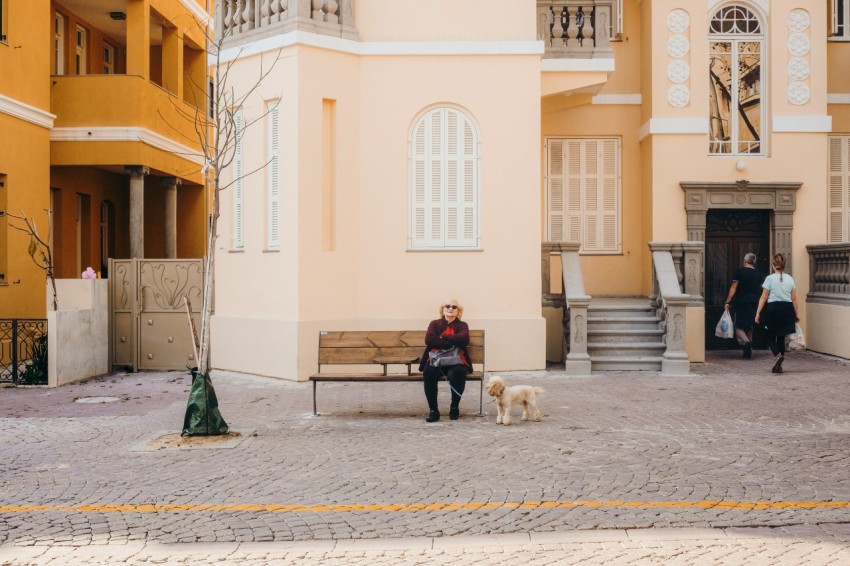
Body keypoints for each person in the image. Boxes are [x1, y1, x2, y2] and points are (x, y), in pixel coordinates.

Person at [419, 299, 472, 422]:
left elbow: (464, 339)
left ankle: (454, 407)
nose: (450, 308)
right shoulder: (435, 324)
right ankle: (433, 410)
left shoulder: (462, 325)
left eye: (454, 307)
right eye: (447, 306)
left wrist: (444, 337)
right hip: (436, 360)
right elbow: (430, 340)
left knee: (458, 372)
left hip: (455, 360)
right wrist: (450, 343)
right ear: (442, 309)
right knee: (429, 372)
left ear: (458, 311)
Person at [755, 254, 799, 374]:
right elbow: (794, 299)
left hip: (773, 308)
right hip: (787, 308)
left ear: (773, 265)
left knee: (769, 335)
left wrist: (758, 312)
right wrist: (796, 314)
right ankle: (779, 366)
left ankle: (777, 355)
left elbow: (764, 297)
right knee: (781, 337)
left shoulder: (769, 278)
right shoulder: (790, 279)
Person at [723, 252, 764, 359]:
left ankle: (746, 343)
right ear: (753, 262)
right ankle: (748, 351)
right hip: (754, 302)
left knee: (739, 326)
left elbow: (734, 287)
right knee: (749, 326)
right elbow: (762, 289)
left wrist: (728, 301)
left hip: (741, 302)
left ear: (745, 261)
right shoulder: (758, 273)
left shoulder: (739, 272)